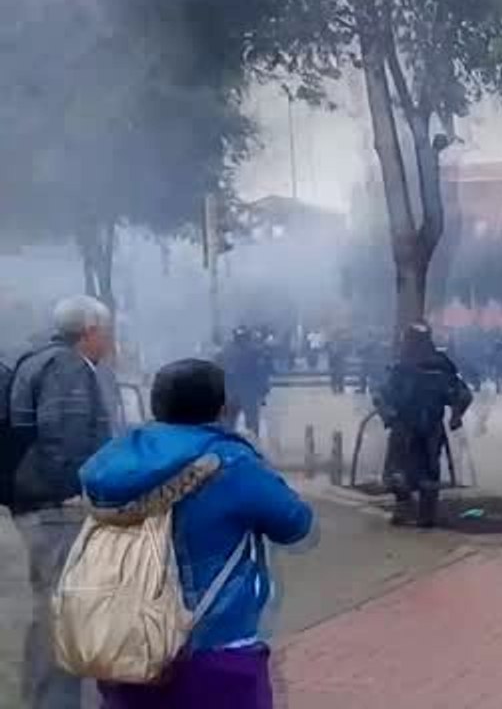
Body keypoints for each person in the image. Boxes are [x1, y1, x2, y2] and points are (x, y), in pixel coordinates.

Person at [81, 359, 311, 709]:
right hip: (214, 646)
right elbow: (295, 523)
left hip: (127, 644)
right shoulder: (231, 463)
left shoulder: (114, 462)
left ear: (156, 404)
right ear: (220, 407)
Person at [3, 295, 118, 709]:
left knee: (50, 606)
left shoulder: (38, 359)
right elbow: (63, 437)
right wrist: (74, 490)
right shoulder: (67, 367)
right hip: (56, 506)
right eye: (105, 331)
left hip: (34, 502)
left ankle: (47, 697)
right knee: (63, 607)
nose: (108, 340)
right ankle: (58, 701)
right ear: (90, 331)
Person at [376, 324, 473, 527]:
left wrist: (456, 414)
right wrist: (389, 414)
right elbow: (381, 394)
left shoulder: (436, 367)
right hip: (412, 427)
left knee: (418, 471)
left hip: (423, 428)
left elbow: (461, 394)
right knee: (405, 471)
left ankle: (422, 513)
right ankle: (411, 511)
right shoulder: (409, 366)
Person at [217, 326, 271, 436]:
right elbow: (262, 371)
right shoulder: (254, 350)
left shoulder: (228, 350)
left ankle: (242, 441)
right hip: (240, 391)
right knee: (235, 421)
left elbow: (261, 371)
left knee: (239, 421)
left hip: (241, 390)